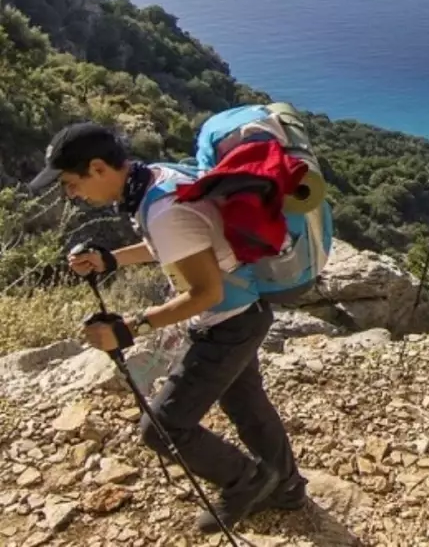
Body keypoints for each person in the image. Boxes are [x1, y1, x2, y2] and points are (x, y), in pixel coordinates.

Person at [29, 123, 305, 533]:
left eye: (72, 183)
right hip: (247, 311)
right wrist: (111, 260)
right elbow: (177, 243)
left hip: (227, 323)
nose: (72, 194)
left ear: (99, 167)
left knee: (163, 428)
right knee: (247, 406)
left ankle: (247, 481)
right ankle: (288, 490)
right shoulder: (156, 179)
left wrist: (130, 328)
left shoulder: (163, 210)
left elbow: (206, 291)